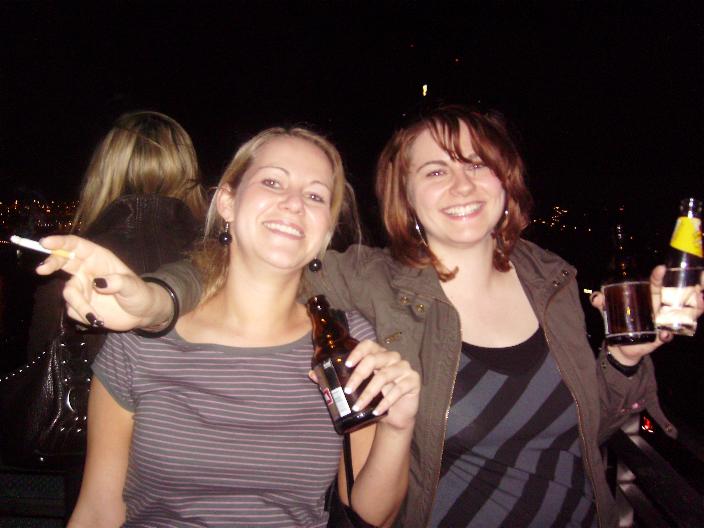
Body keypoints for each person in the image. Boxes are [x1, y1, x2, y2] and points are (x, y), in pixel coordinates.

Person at [37, 106, 704, 527]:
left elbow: (589, 426)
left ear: (508, 181)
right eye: (435, 171)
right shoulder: (369, 283)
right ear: (404, 198)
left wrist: (625, 358)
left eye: (479, 164)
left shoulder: (554, 280)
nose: (462, 183)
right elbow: (256, 265)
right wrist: (156, 302)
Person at [39, 127, 420, 527]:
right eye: (272, 182)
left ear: (326, 230)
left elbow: (372, 515)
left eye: (315, 196)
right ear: (227, 202)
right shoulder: (141, 341)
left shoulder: (344, 343)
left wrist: (397, 427)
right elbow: (99, 510)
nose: (294, 203)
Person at [23, 110, 207, 518]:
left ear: (103, 171)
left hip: (90, 461)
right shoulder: (218, 262)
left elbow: (40, 361)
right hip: (197, 469)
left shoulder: (74, 259)